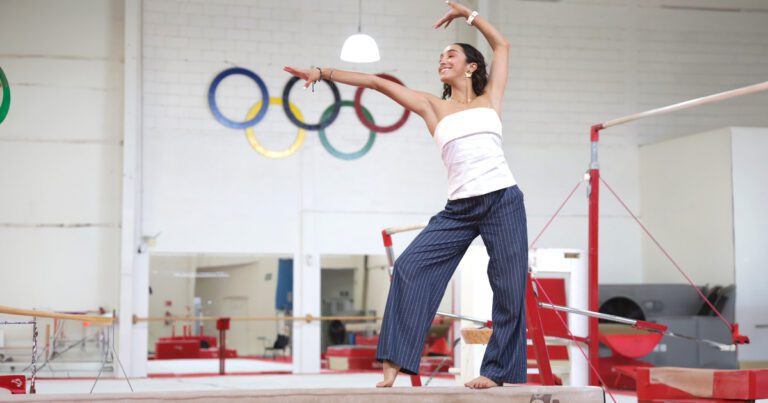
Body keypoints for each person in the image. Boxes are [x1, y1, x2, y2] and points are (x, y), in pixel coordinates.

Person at [284, 0, 527, 389]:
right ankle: (393, 366)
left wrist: (469, 15)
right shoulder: (433, 107)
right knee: (410, 268)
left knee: (510, 287)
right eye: (440, 57)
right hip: (460, 209)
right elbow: (378, 83)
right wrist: (321, 72)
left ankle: (497, 371)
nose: (442, 60)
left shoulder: (490, 100)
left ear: (472, 66)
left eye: (451, 54)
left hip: (503, 200)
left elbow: (503, 46)